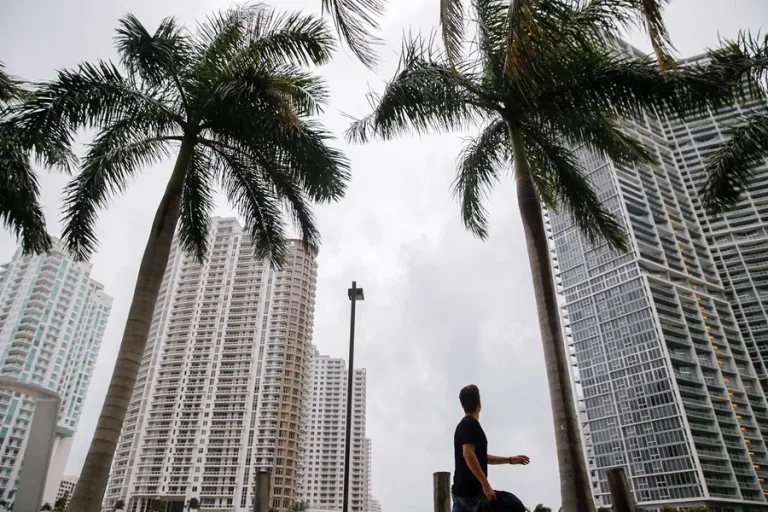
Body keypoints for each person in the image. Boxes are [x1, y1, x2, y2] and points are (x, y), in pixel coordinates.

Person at [452, 384, 529, 512]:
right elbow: (468, 454)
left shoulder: (462, 426)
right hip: (472, 494)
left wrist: (510, 460)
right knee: (515, 506)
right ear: (479, 405)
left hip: (459, 494)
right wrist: (485, 485)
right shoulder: (470, 424)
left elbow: (479, 457)